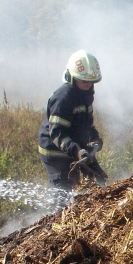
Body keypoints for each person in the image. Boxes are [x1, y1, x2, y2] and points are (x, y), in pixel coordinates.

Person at [38, 50, 107, 189]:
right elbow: (57, 133)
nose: (88, 84)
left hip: (73, 147)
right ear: (72, 77)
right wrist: (77, 151)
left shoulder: (86, 93)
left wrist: (94, 138)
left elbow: (84, 122)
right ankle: (58, 209)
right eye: (84, 81)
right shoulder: (63, 98)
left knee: (88, 181)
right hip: (55, 151)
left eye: (91, 81)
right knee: (64, 187)